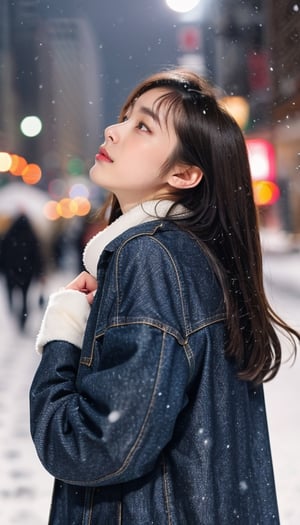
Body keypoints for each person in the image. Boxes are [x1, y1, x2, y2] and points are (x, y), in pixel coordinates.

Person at [30, 68, 299, 525]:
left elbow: (91, 447)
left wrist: (62, 334)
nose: (112, 131)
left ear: (185, 172)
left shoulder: (150, 256)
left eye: (142, 126)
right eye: (124, 118)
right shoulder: (196, 256)